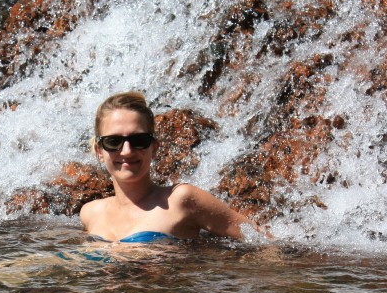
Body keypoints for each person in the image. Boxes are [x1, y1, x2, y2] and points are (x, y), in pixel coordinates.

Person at [79, 92, 260, 243]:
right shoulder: (90, 213)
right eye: (113, 141)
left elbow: (261, 241)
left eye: (139, 141)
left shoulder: (181, 199)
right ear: (99, 151)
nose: (127, 151)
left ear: (154, 147)